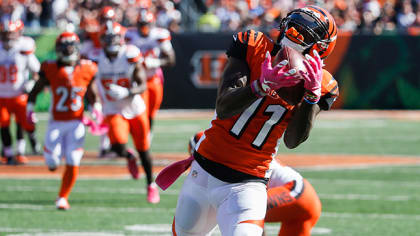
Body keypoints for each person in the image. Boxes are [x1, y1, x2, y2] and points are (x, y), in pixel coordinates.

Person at [171, 5, 339, 235]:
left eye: (303, 34)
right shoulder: (254, 45)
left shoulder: (323, 84)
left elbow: (293, 139)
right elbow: (224, 107)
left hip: (248, 182)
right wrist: (260, 86)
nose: (292, 35)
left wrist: (310, 97)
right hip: (204, 170)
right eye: (292, 27)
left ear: (321, 48)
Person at [188, 131, 321, 236]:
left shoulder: (230, 158)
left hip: (297, 193)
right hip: (303, 202)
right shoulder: (232, 152)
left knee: (238, 210)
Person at [27, 32, 98, 210]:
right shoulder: (50, 67)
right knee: (52, 164)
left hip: (76, 123)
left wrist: (97, 108)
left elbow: (92, 92)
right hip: (56, 123)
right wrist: (30, 109)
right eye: (64, 46)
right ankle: (50, 157)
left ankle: (62, 197)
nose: (68, 50)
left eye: (71, 46)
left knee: (74, 159)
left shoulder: (87, 67)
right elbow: (35, 89)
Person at [95, 22, 160, 203]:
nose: (110, 41)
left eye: (113, 37)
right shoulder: (96, 58)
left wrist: (128, 92)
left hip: (134, 106)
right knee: (117, 146)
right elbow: (90, 83)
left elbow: (142, 83)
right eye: (107, 38)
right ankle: (129, 157)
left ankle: (151, 185)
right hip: (113, 107)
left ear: (121, 38)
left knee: (144, 149)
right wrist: (95, 104)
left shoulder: (130, 54)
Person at [125, 8, 176, 131]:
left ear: (152, 23)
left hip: (154, 79)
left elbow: (171, 60)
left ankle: (147, 137)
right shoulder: (130, 35)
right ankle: (142, 139)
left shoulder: (159, 34)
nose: (144, 27)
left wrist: (156, 62)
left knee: (151, 113)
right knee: (142, 112)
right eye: (141, 24)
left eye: (146, 24)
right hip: (138, 79)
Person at [0, 18, 41, 165]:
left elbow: (37, 71)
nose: (8, 37)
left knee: (22, 124)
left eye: (11, 34)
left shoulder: (24, 49)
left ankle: (21, 152)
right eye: (5, 34)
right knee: (3, 124)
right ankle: (8, 153)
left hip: (19, 95)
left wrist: (31, 82)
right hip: (1, 96)